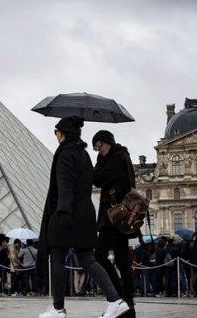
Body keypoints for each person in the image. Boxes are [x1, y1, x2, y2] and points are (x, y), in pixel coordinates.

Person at [37, 116, 129, 318]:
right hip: (86, 212)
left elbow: (65, 186)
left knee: (57, 257)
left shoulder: (65, 154)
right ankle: (115, 300)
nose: (55, 135)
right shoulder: (83, 154)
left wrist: (63, 213)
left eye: (56, 132)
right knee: (88, 259)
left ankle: (58, 308)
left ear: (62, 133)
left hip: (67, 212)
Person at [90, 130, 140, 316]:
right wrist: (100, 161)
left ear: (108, 142)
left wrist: (98, 164)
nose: (98, 149)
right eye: (95, 146)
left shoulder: (117, 157)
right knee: (121, 258)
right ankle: (128, 303)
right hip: (120, 216)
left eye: (99, 145)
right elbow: (99, 180)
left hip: (114, 215)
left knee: (100, 255)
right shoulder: (118, 156)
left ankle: (119, 294)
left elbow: (99, 179)